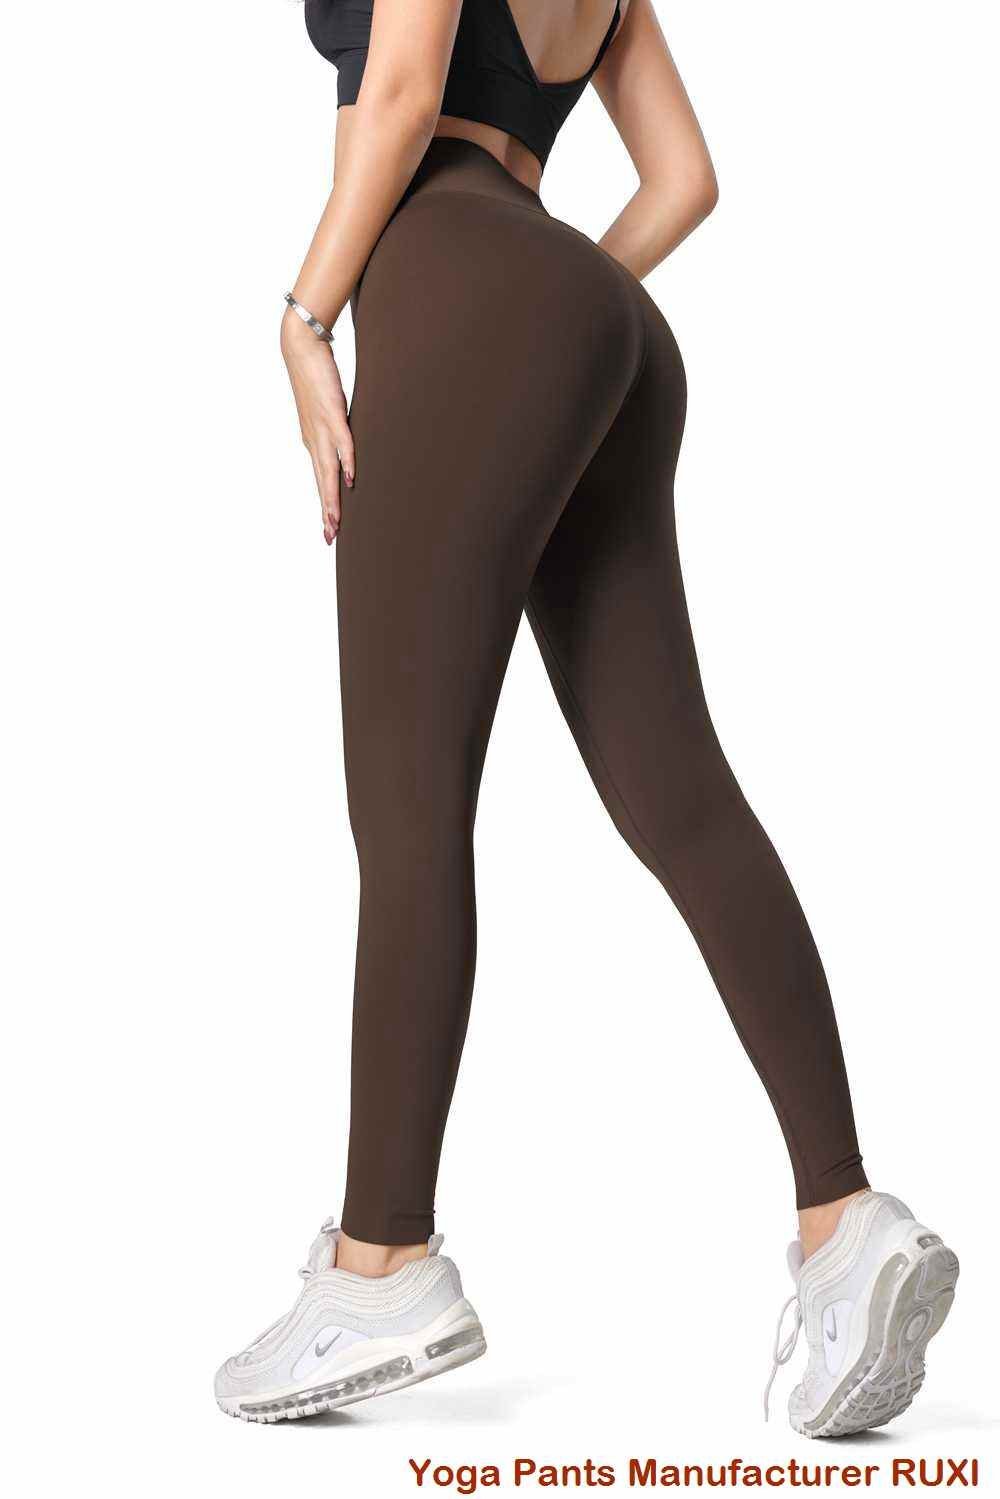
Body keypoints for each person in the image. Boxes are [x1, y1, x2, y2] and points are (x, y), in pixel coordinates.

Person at [215, 0, 957, 1434]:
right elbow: (684, 177)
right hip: (596, 314)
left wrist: (305, 319)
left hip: (457, 277)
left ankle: (379, 1261)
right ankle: (845, 1220)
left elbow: (402, 91)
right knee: (681, 796)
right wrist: (557, 315)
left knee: (410, 805)